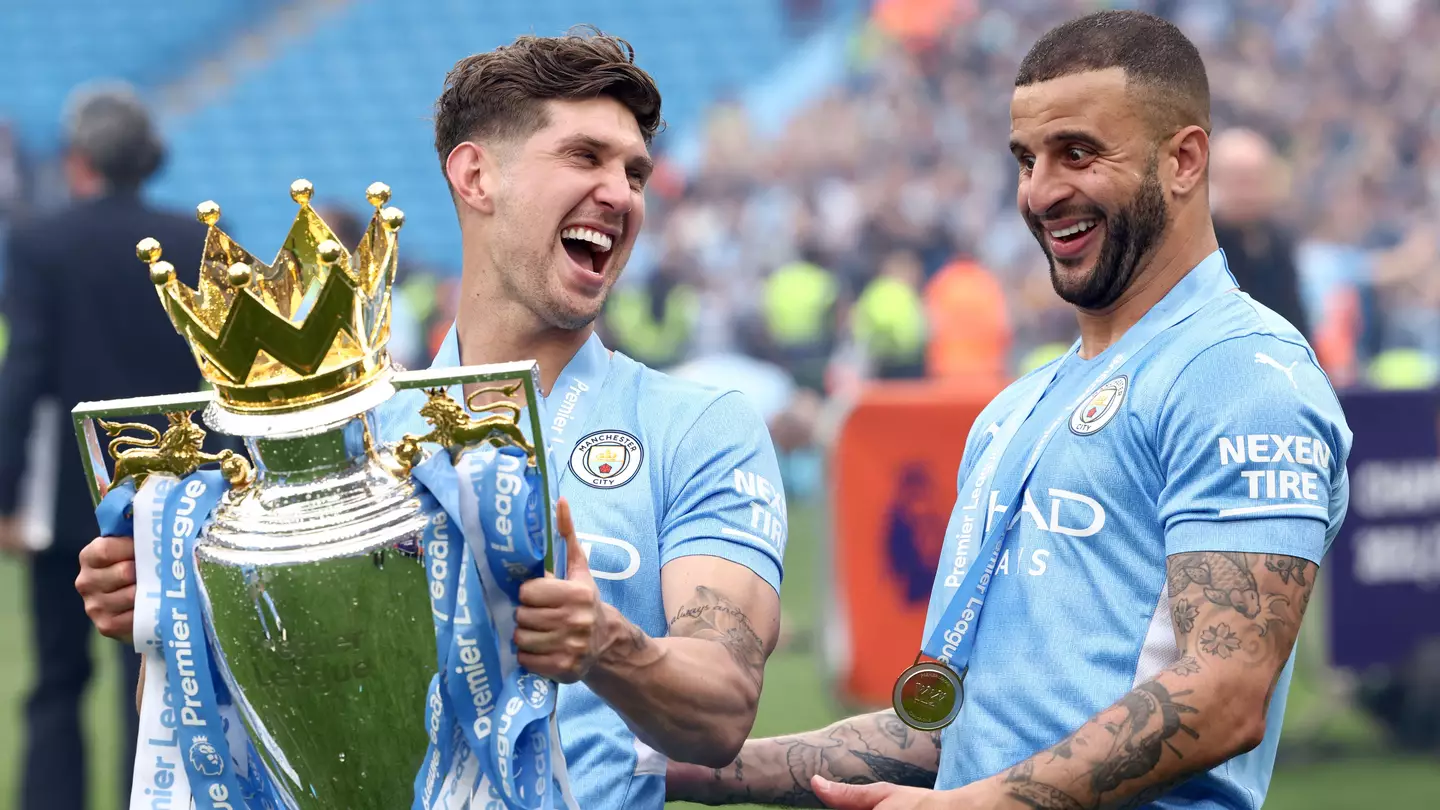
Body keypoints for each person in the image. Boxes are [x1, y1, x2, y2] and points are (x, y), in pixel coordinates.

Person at [73, 29, 788, 810]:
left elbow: (722, 705)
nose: (621, 193)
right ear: (476, 176)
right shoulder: (346, 434)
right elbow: (225, 722)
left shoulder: (699, 427)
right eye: (585, 157)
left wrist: (604, 645)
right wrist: (173, 618)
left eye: (635, 171)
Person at [668, 10, 1351, 810]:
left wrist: (975, 804)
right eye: (1027, 159)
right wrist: (696, 770)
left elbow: (1226, 691)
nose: (1041, 191)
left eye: (1079, 153)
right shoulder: (1015, 411)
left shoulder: (1243, 372)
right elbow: (950, 734)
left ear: (1184, 161)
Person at [0, 82, 207, 810]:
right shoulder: (195, 238)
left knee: (57, 678)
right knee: (152, 674)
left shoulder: (38, 242)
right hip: (175, 495)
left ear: (78, 156)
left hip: (67, 500)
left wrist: (4, 493)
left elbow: (22, 372)